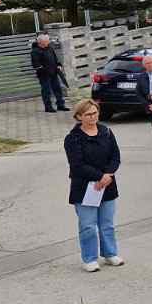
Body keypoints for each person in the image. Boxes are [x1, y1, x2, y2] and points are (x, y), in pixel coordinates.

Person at [64, 99, 123, 272]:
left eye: (95, 112)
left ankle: (110, 253)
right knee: (88, 225)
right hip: (85, 187)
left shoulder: (106, 132)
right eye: (88, 114)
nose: (93, 117)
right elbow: (77, 164)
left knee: (107, 223)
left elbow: (115, 156)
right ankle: (89, 258)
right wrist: (100, 176)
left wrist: (108, 175)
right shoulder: (73, 138)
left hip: (107, 184)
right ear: (79, 117)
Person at [31, 32, 67, 112]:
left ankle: (61, 105)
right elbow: (36, 64)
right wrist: (44, 70)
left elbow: (55, 58)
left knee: (58, 89)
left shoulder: (50, 48)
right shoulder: (35, 51)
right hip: (44, 75)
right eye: (47, 41)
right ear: (41, 42)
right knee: (46, 91)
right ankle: (48, 107)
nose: (49, 42)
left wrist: (58, 65)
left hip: (54, 73)